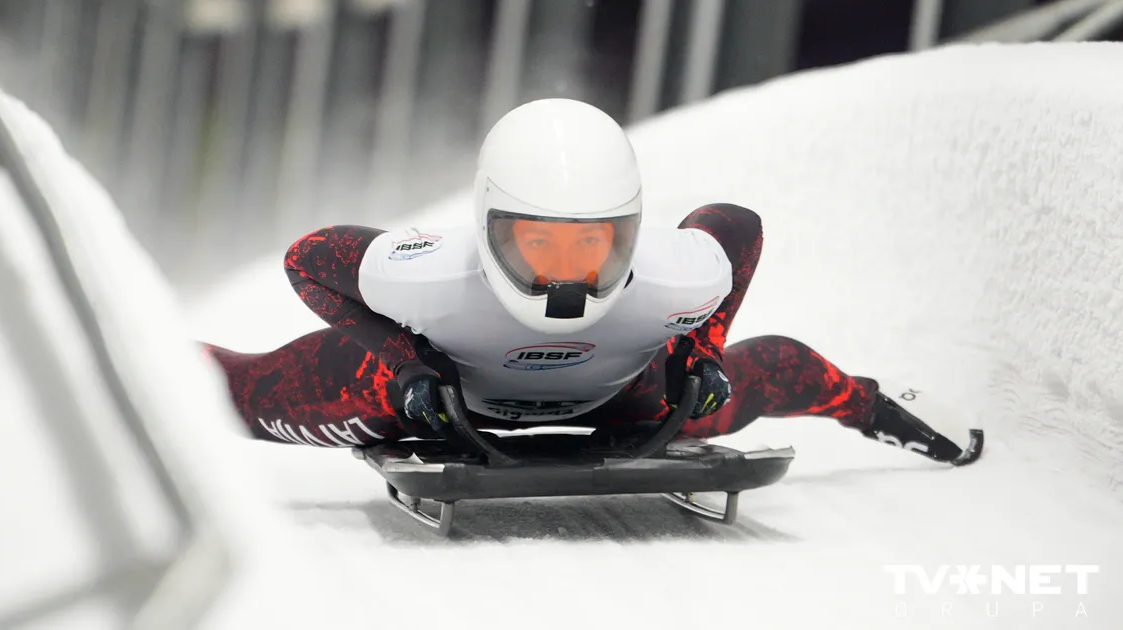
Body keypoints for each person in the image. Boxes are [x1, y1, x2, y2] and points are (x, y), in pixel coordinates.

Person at [205, 98, 971, 464]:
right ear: (490, 224)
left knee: (756, 380)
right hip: (429, 404)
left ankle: (879, 405)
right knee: (232, 399)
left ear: (631, 231)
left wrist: (701, 354)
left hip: (628, 394)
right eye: (539, 244)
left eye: (593, 246)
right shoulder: (427, 273)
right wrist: (404, 361)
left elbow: (736, 224)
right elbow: (308, 259)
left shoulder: (673, 276)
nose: (566, 274)